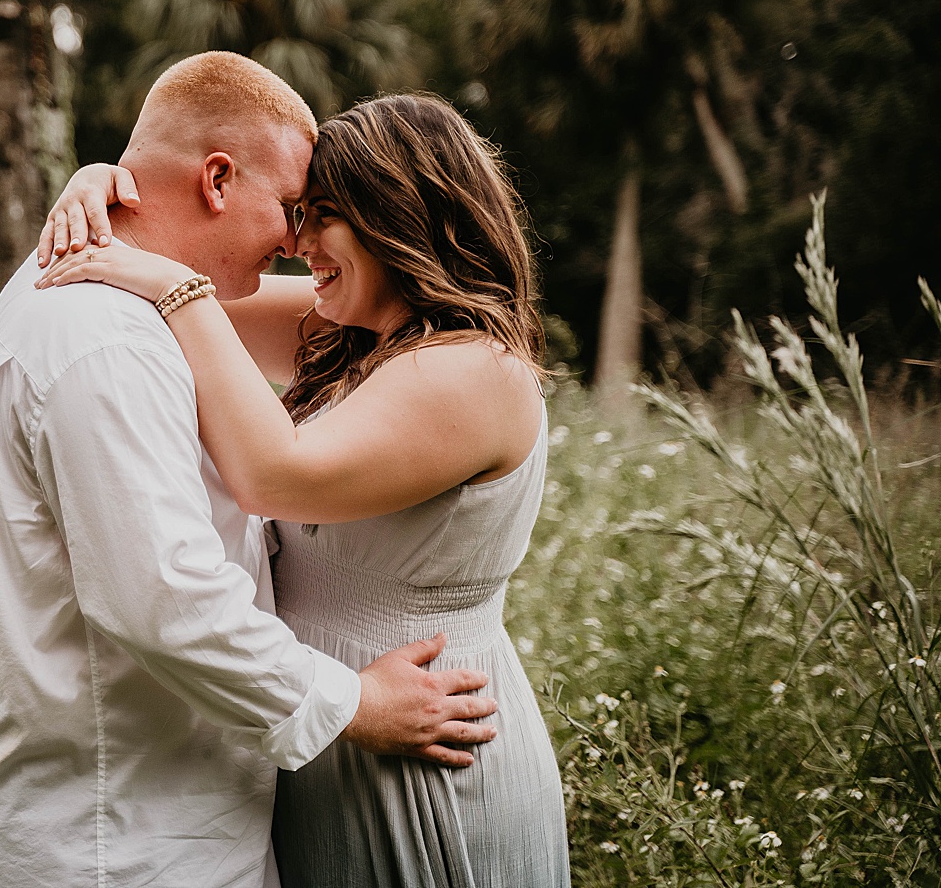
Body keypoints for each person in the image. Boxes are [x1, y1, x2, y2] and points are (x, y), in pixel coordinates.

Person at [0, 55, 500, 888]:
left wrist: (105, 180)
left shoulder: (126, 296)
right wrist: (358, 704)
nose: (296, 243)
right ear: (219, 179)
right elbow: (168, 599)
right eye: (291, 207)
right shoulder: (108, 339)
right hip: (107, 841)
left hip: (139, 817)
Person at [37, 90, 570, 887]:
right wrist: (105, 185)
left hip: (428, 751)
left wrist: (174, 290)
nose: (296, 239)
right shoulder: (354, 334)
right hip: (340, 731)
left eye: (324, 215)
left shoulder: (479, 372)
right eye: (299, 210)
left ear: (400, 216)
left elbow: (271, 472)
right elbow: (191, 270)